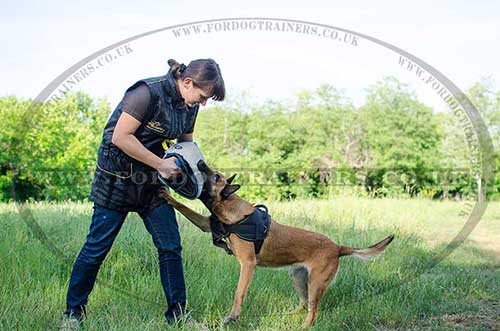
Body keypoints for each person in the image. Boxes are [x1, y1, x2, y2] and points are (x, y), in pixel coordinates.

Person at [61, 58, 225, 329]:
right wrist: (161, 163)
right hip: (116, 180)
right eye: (203, 96)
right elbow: (121, 137)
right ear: (187, 82)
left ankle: (178, 315)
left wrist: (199, 175)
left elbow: (186, 146)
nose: (203, 103)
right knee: (96, 248)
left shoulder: (189, 106)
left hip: (151, 183)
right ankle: (72, 313)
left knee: (170, 245)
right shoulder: (146, 92)